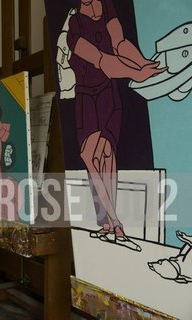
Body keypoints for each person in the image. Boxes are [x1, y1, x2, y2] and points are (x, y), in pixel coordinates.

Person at [66, 0, 165, 245]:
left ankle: (111, 223)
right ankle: (114, 220)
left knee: (107, 156)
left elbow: (120, 45)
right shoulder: (74, 25)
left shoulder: (107, 7)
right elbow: (103, 61)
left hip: (109, 95)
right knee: (91, 156)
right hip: (86, 98)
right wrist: (136, 72)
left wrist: (142, 62)